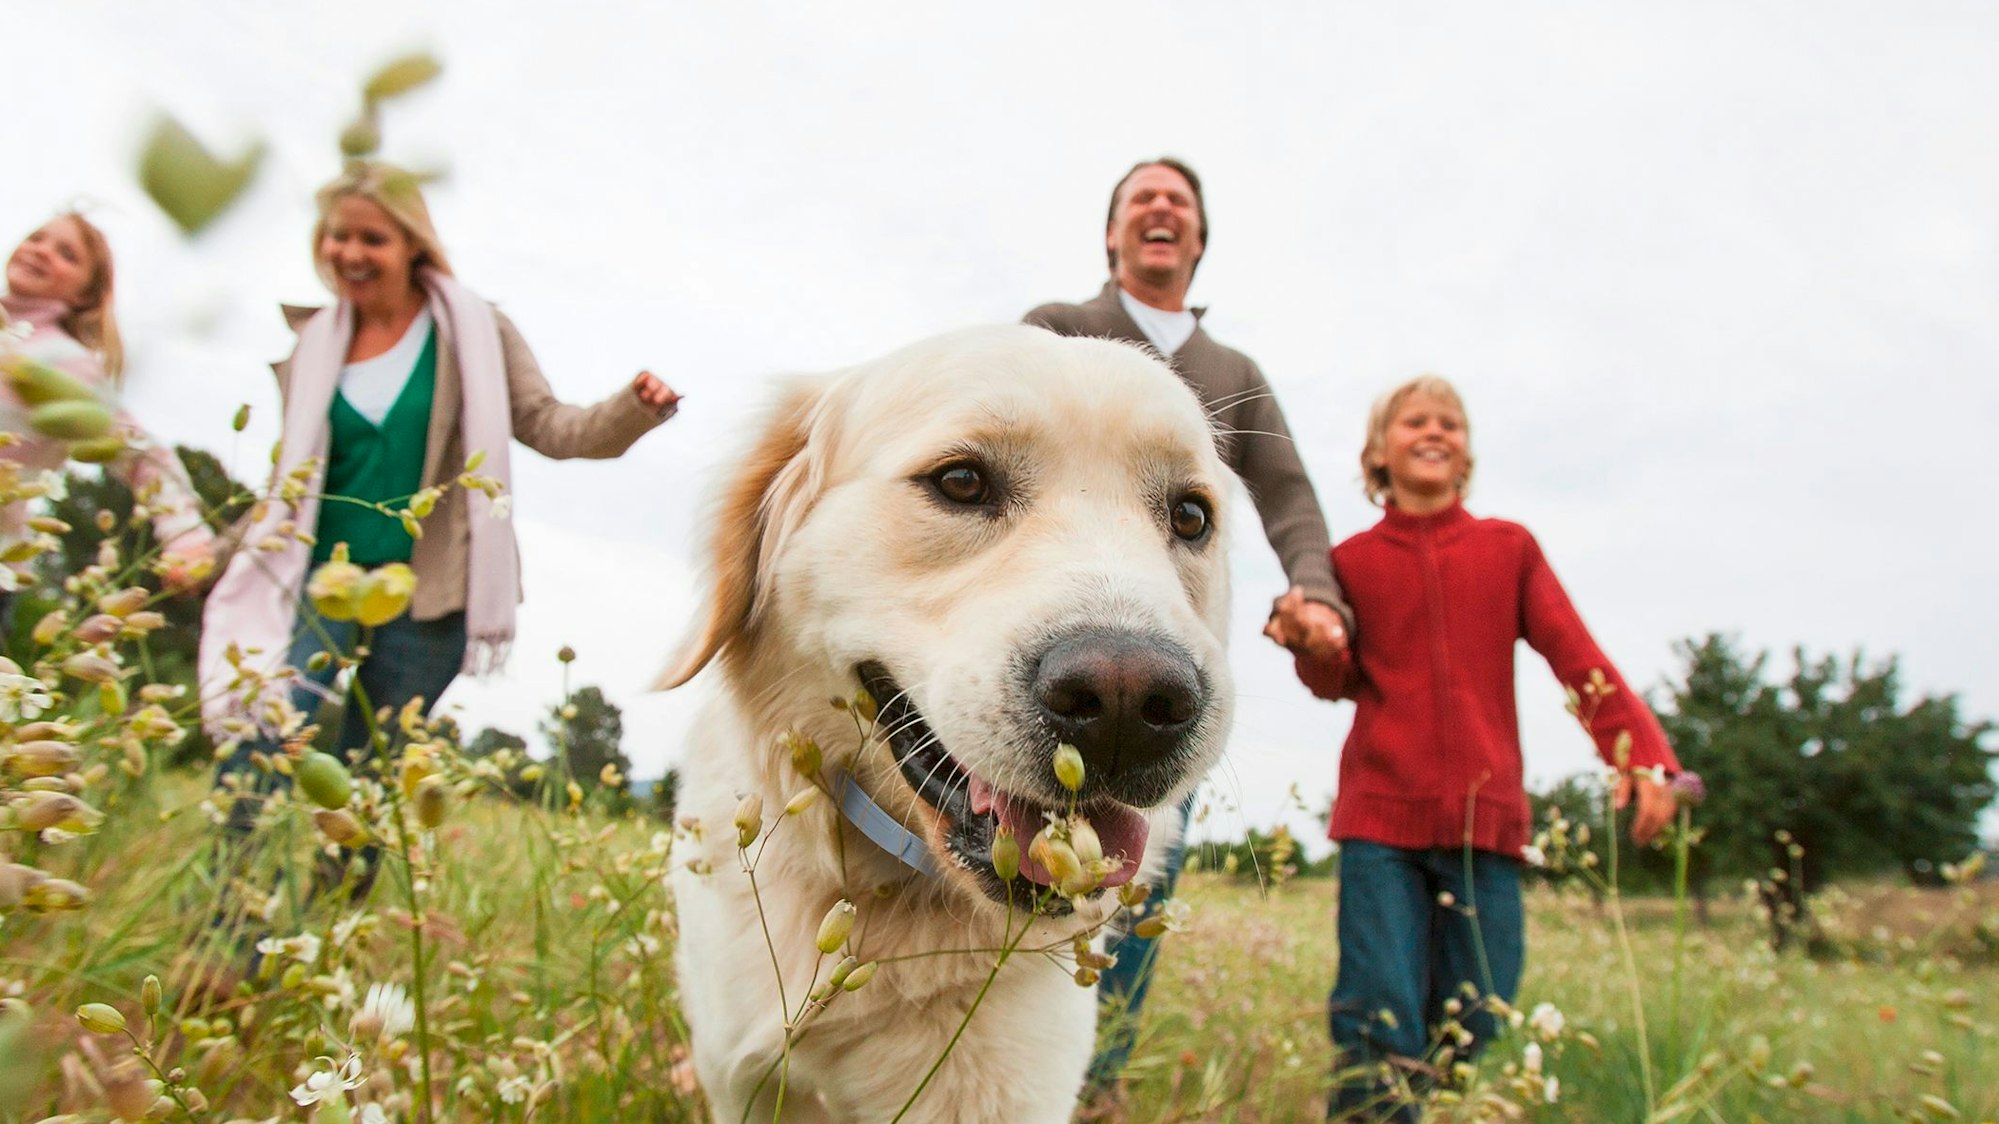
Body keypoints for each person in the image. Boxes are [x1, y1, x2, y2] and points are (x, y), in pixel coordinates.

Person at [199, 161, 679, 846]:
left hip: (432, 593)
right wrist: (216, 554)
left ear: (412, 244)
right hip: (317, 583)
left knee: (373, 781)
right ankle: (230, 925)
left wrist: (632, 409)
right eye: (337, 237)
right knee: (261, 736)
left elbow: (550, 425)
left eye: (372, 239)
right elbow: (289, 486)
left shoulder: (473, 331)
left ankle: (333, 928)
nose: (350, 254)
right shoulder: (315, 344)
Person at [1024, 156, 1354, 1108]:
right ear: (1113, 237)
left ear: (1198, 242)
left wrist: (1316, 592)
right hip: (1045, 648)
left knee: (1128, 885)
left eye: (1179, 202)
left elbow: (1287, 494)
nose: (1160, 209)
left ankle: (1099, 1082)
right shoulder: (1060, 328)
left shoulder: (1232, 375)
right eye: (1141, 200)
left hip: (1166, 666)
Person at [1294, 375, 1679, 1121]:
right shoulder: (1351, 561)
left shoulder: (1507, 548)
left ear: (1465, 453)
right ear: (1378, 450)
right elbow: (1332, 679)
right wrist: (1310, 642)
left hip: (1487, 825)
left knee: (1479, 1011)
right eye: (1413, 422)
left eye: (1450, 423)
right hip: (1379, 826)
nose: (1434, 432)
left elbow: (1576, 657)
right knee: (1378, 1013)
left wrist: (1639, 753)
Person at [1, 213, 216, 601]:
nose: (42, 251)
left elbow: (140, 454)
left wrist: (187, 540)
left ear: (85, 293)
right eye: (37, 238)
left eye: (66, 254)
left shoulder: (64, 362)